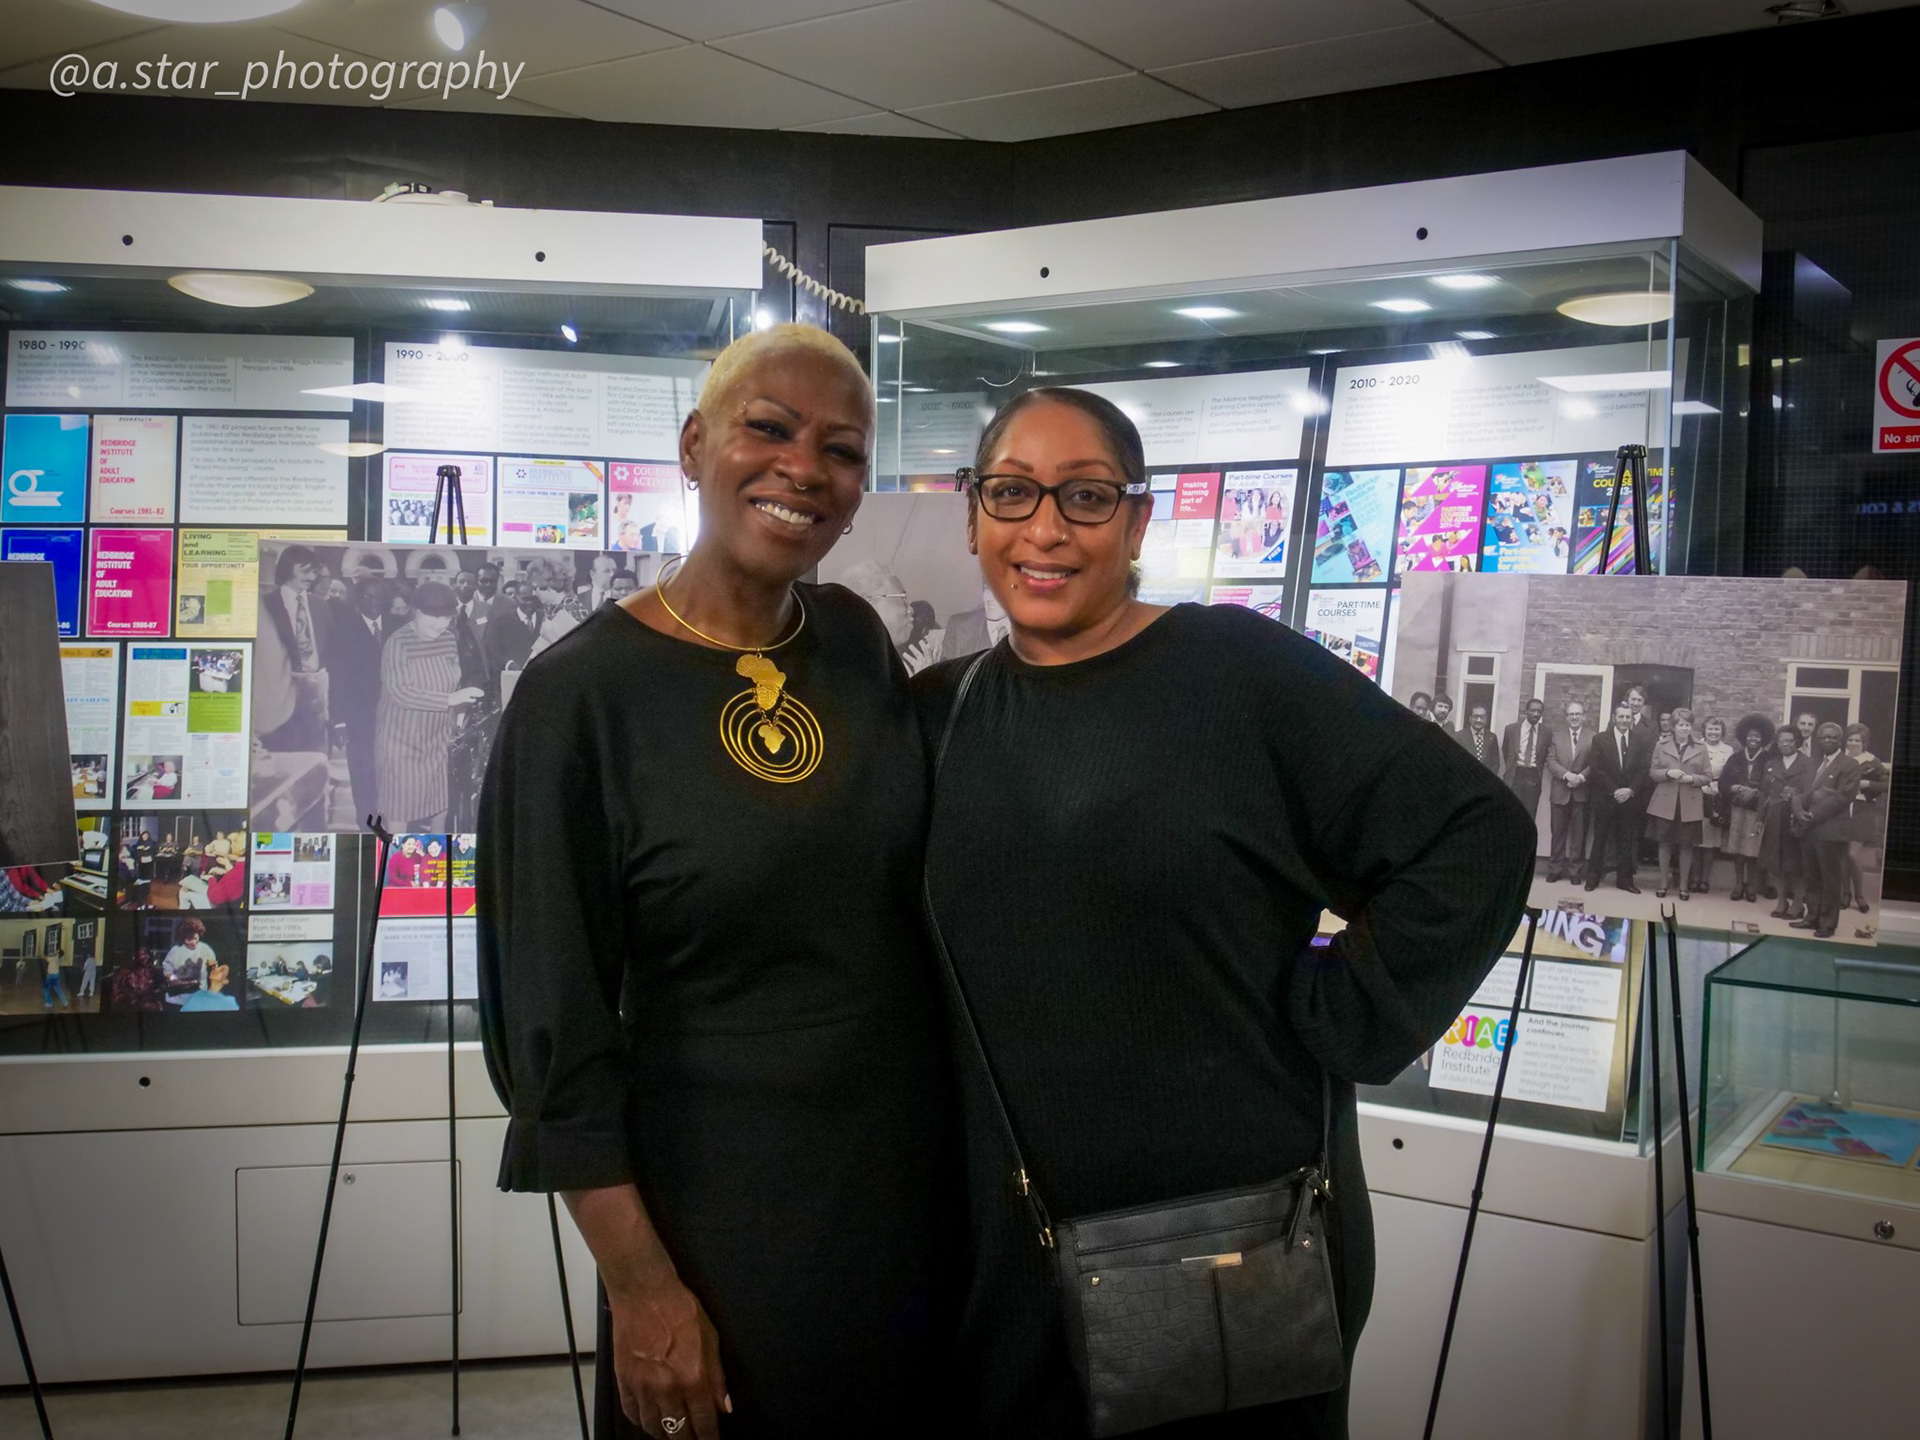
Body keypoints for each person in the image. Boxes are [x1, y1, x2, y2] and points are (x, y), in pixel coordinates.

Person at [916, 386, 1533, 1438]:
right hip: (1012, 1257)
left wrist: (1346, 1013)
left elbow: (1475, 834)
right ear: (974, 513)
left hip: (1227, 1251)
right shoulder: (941, 711)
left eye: (1086, 496)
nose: (1045, 528)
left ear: (1139, 521)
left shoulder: (1238, 672)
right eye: (1013, 492)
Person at [477, 324, 955, 1440]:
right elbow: (553, 1031)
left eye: (842, 450)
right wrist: (642, 1287)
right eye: (769, 428)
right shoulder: (578, 700)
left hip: (903, 1192)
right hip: (717, 1218)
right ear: (694, 446)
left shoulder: (853, 640)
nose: (804, 468)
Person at [376, 581, 486, 832]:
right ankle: (395, 857)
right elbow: (401, 693)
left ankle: (435, 856)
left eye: (446, 618)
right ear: (416, 612)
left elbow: (452, 680)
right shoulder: (398, 643)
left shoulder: (448, 639)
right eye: (434, 618)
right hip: (401, 743)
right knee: (400, 809)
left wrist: (457, 715)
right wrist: (450, 700)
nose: (441, 625)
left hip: (438, 740)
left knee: (440, 808)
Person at [1791, 721, 1860, 939]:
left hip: (1830, 830)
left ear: (1841, 740)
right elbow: (1800, 792)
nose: (1828, 740)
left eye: (1832, 737)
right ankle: (1812, 917)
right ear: (1818, 740)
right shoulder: (1814, 764)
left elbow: (1842, 798)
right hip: (1808, 828)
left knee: (1830, 878)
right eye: (1823, 737)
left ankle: (1828, 924)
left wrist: (1812, 815)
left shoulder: (1849, 765)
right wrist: (1798, 811)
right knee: (1811, 875)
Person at [1586, 698, 1653, 893]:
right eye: (1621, 717)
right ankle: (1593, 878)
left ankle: (1625, 880)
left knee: (1626, 840)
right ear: (1614, 718)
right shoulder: (1600, 739)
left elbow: (1643, 770)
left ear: (1632, 719)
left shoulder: (1640, 741)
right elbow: (1596, 769)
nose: (1624, 720)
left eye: (1628, 717)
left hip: (1629, 799)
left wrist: (1630, 790)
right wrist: (1614, 790)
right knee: (1600, 838)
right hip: (1606, 797)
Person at [1643, 708, 1711, 900]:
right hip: (1665, 801)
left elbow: (1708, 776)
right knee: (1664, 843)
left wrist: (1691, 778)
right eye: (1680, 725)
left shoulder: (1701, 747)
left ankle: (1683, 886)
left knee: (1686, 845)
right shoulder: (1661, 745)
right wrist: (1668, 773)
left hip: (1689, 803)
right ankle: (1663, 883)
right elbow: (1652, 772)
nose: (1684, 728)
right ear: (1673, 727)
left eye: (1687, 725)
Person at [1758, 724, 1813, 921]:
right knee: (1776, 862)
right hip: (1775, 818)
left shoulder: (1808, 764)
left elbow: (1811, 792)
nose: (1785, 744)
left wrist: (1797, 794)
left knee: (1796, 863)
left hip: (1796, 819)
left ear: (1797, 742)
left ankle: (1798, 903)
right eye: (1781, 741)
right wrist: (1760, 818)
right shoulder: (1771, 764)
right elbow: (1764, 793)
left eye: (1790, 741)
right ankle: (1781, 902)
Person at [1718, 715, 1775, 903]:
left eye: (1757, 736)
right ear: (1744, 737)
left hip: (1757, 811)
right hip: (1737, 810)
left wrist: (1756, 792)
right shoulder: (1735, 758)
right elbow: (1723, 782)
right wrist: (1734, 788)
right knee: (1737, 850)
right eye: (1750, 736)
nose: (1753, 739)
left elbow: (1773, 785)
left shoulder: (1769, 759)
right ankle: (1738, 884)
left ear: (1763, 738)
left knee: (1753, 850)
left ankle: (1751, 885)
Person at [1544, 700, 1593, 883]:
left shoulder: (1592, 737)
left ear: (1583, 716)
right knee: (1558, 833)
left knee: (1579, 834)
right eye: (1571, 714)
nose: (1574, 717)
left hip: (1581, 792)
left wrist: (1580, 777)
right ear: (1566, 717)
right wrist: (1567, 775)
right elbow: (1550, 761)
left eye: (1578, 714)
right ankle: (1555, 869)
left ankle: (1575, 871)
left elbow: (1595, 762)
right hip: (1560, 791)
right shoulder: (1556, 736)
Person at [1690, 716, 1735, 895]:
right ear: (1704, 730)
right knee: (1694, 838)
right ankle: (1693, 878)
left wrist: (1719, 787)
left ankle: (1705, 879)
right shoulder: (1696, 746)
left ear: (1722, 732)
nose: (1713, 732)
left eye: (1717, 729)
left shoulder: (1728, 750)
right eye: (1710, 729)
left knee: (1710, 841)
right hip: (1696, 794)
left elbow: (1730, 774)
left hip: (1716, 796)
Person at [1501, 696, 1548, 821]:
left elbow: (1545, 755)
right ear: (1526, 711)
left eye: (1539, 711)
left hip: (1533, 776)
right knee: (1511, 812)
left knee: (1530, 814)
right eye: (1533, 710)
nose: (1536, 714)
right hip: (1515, 774)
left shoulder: (1546, 732)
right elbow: (1506, 751)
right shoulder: (1511, 729)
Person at [1455, 703, 1500, 771]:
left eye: (1482, 717)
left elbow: (1495, 763)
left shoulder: (1492, 737)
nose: (1479, 720)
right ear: (1470, 718)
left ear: (1486, 718)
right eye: (1475, 716)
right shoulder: (1458, 736)